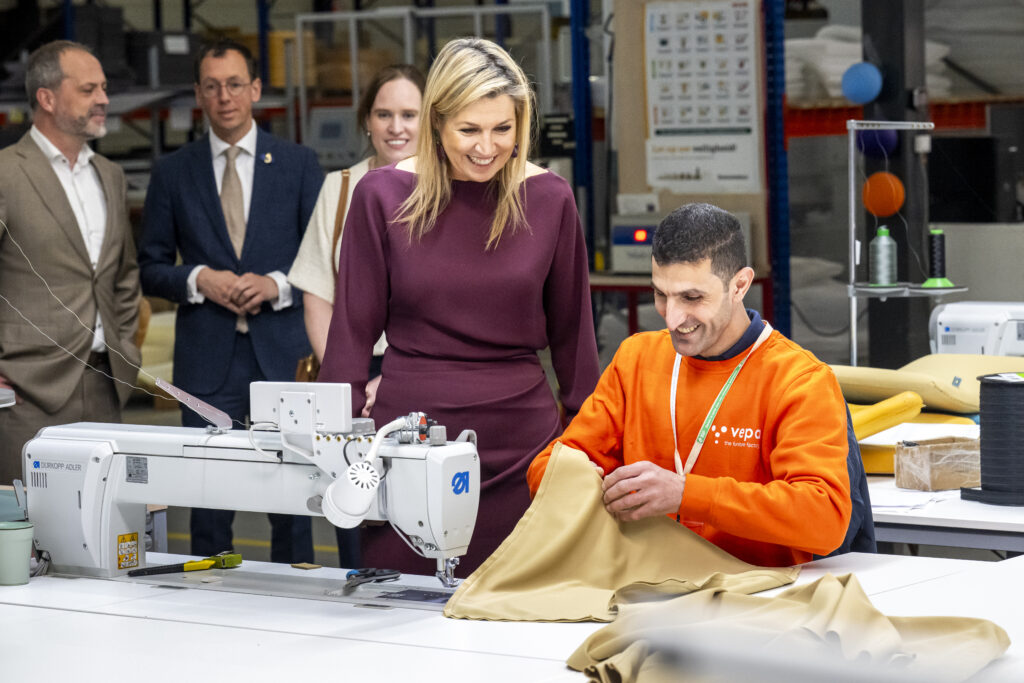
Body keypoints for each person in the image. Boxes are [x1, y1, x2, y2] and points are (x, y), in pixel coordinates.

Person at [318, 37, 600, 577]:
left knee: (521, 622)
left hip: (524, 452)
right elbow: (351, 333)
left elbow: (574, 339)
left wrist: (587, 449)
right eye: (469, 130)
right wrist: (340, 451)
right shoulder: (381, 196)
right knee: (399, 618)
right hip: (410, 449)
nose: (487, 148)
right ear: (436, 123)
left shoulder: (551, 199)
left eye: (503, 129)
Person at [527, 203, 875, 568]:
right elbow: (547, 469)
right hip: (649, 584)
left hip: (759, 593)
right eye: (661, 295)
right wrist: (583, 481)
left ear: (740, 285)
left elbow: (823, 519)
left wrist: (684, 494)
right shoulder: (637, 359)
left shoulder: (798, 381)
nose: (673, 318)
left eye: (692, 298)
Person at [138, 39, 323, 563]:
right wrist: (199, 279)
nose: (225, 97)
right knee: (208, 498)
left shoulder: (298, 164)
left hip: (284, 361)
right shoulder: (173, 172)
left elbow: (323, 262)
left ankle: (297, 600)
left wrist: (277, 285)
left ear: (256, 90)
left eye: (235, 84)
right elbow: (150, 265)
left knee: (293, 497)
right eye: (212, 86)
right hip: (205, 365)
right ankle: (208, 602)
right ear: (199, 93)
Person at [288, 64, 424, 568]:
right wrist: (347, 379)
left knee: (416, 505)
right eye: (384, 114)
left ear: (428, 120)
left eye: (408, 114)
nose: (396, 127)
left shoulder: (453, 190)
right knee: (354, 506)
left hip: (426, 374)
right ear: (366, 121)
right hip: (351, 381)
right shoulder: (340, 188)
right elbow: (319, 294)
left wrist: (395, 378)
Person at [0, 41, 141, 485]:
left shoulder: (111, 176)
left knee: (103, 535)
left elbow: (123, 277)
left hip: (105, 385)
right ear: (47, 98)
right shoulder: (6, 173)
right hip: (26, 392)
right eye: (87, 89)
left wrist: (125, 350)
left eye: (103, 87)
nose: (103, 98)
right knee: (26, 538)